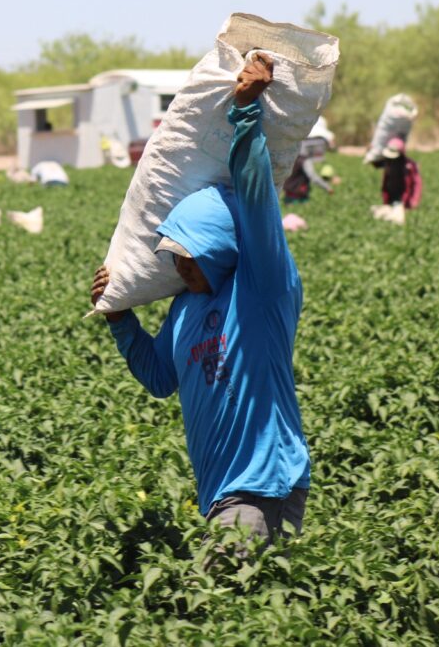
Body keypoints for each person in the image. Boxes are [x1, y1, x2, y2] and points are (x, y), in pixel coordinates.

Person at [91, 53, 310, 553]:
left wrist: (246, 113)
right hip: (220, 497)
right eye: (171, 254)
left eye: (187, 255)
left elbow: (256, 202)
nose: (178, 267)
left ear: (219, 249)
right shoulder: (186, 309)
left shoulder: (262, 290)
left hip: (261, 488)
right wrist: (121, 319)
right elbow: (161, 379)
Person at [371, 137, 421, 225]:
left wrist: (413, 200)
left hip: (402, 198)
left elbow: (416, 183)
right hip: (389, 196)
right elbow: (376, 163)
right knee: (385, 219)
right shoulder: (389, 162)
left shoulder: (409, 166)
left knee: (398, 221)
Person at [282, 137, 333, 204]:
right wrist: (327, 187)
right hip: (299, 195)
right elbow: (313, 176)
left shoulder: (291, 157)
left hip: (288, 193)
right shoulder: (305, 161)